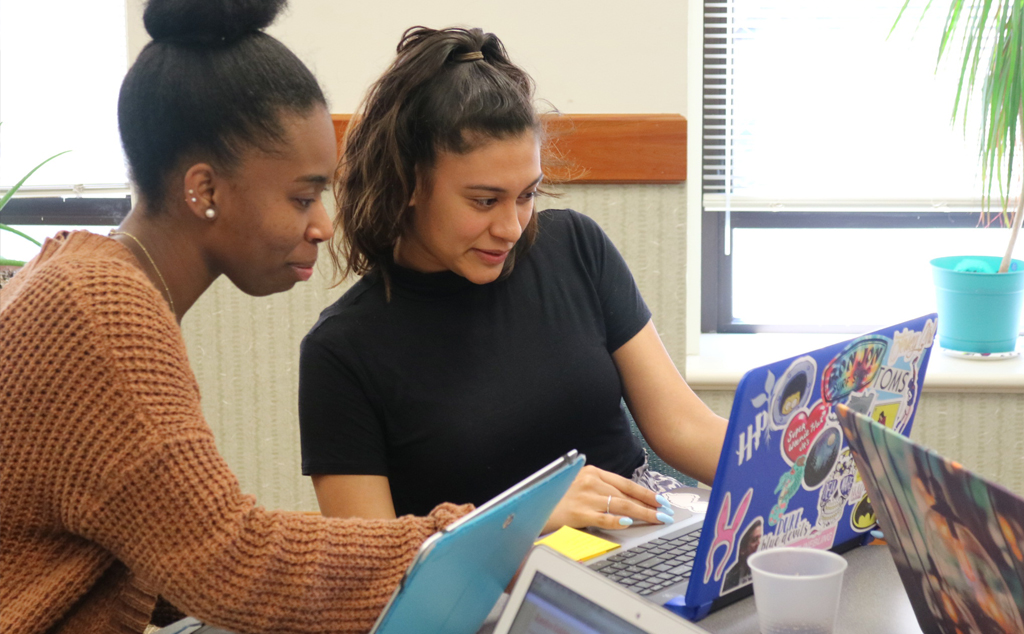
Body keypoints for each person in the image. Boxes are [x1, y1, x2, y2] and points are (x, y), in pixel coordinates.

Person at [0, 4, 472, 634]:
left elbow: (164, 549)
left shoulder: (88, 281)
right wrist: (460, 539)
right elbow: (233, 562)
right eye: (302, 197)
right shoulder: (102, 315)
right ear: (205, 191)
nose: (323, 225)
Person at [298, 26, 728, 534]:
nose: (511, 228)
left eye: (526, 195)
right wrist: (531, 516)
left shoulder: (576, 247)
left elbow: (683, 427)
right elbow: (370, 571)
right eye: (484, 201)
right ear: (409, 183)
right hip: (502, 593)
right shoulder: (342, 353)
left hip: (643, 542)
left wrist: (804, 472)